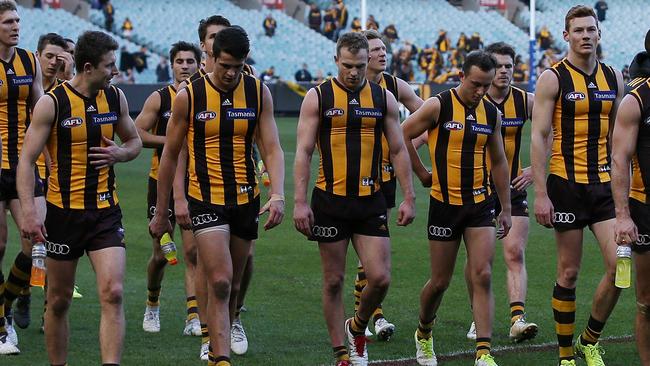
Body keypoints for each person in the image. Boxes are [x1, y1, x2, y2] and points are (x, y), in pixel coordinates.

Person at [149, 26, 285, 366]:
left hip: (245, 199)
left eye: (237, 66)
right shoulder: (190, 95)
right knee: (221, 280)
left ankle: (226, 327)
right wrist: (164, 207)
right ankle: (217, 354)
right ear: (210, 58)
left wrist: (279, 193)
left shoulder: (258, 92)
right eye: (224, 65)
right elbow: (171, 154)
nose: (230, 73)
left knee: (234, 285)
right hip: (205, 199)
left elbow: (271, 146)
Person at [17, 30, 142, 365]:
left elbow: (134, 142)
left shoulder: (115, 98)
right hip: (62, 214)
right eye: (109, 65)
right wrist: (30, 212)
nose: (114, 71)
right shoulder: (52, 102)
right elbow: (27, 160)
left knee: (113, 293)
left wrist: (121, 153)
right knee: (58, 301)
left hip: (105, 212)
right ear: (88, 67)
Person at [293, 32, 415, 366]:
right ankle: (342, 353)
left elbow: (399, 148)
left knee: (380, 277)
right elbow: (303, 152)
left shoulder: (383, 98)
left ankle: (356, 326)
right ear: (336, 61)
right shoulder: (318, 97)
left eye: (360, 66)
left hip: (370, 199)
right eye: (347, 65)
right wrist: (300, 202)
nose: (353, 72)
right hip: (330, 201)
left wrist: (408, 195)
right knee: (333, 280)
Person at [402, 50, 511, 366]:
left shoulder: (491, 114)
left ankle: (484, 352)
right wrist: (422, 173)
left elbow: (500, 161)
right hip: (444, 205)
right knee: (440, 282)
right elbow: (402, 134)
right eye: (476, 84)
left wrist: (504, 208)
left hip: (479, 205)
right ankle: (424, 332)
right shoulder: (438, 105)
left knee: (483, 273)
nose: (480, 92)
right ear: (462, 76)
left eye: (486, 86)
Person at [530, 5, 625, 366]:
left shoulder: (614, 77)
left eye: (591, 30)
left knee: (620, 268)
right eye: (578, 30)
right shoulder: (552, 78)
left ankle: (590, 339)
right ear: (566, 35)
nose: (586, 35)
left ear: (599, 34)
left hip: (604, 187)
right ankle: (567, 355)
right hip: (566, 185)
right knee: (568, 272)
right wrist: (541, 194)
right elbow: (539, 136)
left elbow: (620, 134)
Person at [350, 29, 423, 342]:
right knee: (368, 257)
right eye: (375, 50)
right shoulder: (347, 86)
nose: (382, 54)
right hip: (353, 179)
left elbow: (433, 115)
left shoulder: (395, 85)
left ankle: (367, 317)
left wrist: (409, 148)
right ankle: (371, 317)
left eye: (383, 49)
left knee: (373, 254)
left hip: (386, 178)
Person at [464, 42, 538, 343]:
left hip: (513, 187)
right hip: (477, 188)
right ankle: (476, 315)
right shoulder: (471, 103)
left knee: (515, 251)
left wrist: (535, 168)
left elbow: (557, 129)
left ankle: (517, 318)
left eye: (509, 65)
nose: (505, 71)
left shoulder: (526, 101)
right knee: (479, 264)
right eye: (499, 66)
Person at [135, 41, 202, 337]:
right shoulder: (160, 98)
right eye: (179, 61)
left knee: (192, 253)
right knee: (161, 255)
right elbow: (137, 133)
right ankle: (152, 302)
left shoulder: (204, 96)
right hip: (160, 181)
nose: (185, 66)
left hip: (195, 182)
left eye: (190, 61)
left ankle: (193, 316)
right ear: (171, 65)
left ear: (199, 64)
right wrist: (171, 143)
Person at [0, 0, 44, 355]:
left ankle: (4, 305)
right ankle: (1, 327)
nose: (15, 26)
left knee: (36, 243)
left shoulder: (29, 61)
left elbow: (40, 108)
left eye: (17, 20)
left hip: (23, 166)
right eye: (8, 21)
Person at [611, 41, 650, 365]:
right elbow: (620, 158)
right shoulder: (636, 101)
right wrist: (622, 216)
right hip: (645, 208)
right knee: (647, 301)